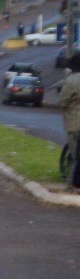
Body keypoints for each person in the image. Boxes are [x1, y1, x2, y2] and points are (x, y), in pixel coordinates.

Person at [59, 54, 80, 190]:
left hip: (74, 122)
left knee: (75, 155)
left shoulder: (72, 80)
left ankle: (71, 184)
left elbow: (63, 101)